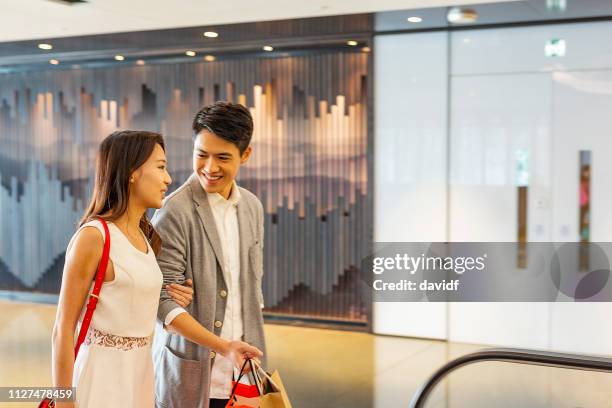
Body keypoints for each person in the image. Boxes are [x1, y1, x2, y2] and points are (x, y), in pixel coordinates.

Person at [51, 130, 262, 408]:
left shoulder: (146, 236)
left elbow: (147, 301)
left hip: (140, 379)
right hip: (100, 380)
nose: (168, 179)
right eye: (161, 167)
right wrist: (65, 403)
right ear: (132, 172)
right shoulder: (93, 237)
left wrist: (180, 297)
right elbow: (62, 330)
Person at [153, 102, 266, 408]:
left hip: (243, 369)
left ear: (245, 155)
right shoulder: (174, 212)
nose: (210, 167)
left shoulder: (252, 207)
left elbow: (252, 285)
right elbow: (161, 302)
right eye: (201, 154)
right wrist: (223, 345)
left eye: (223, 157)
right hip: (192, 369)